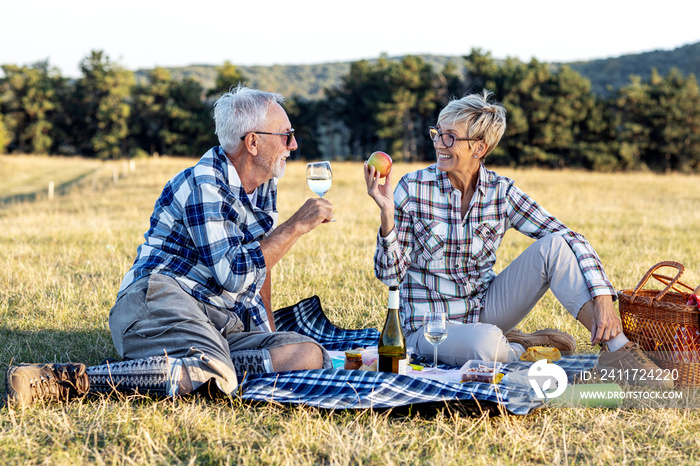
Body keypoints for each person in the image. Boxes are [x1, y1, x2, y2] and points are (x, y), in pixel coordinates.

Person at [6, 85, 335, 405]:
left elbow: (260, 259)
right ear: (252, 142)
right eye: (285, 135)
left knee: (308, 354)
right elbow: (234, 273)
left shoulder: (262, 185)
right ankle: (66, 381)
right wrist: (296, 226)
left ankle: (202, 372)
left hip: (217, 317)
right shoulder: (206, 186)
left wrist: (268, 333)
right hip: (159, 300)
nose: (292, 145)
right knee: (217, 370)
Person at [364, 90, 671, 389]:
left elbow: (566, 235)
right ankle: (519, 347)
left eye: (450, 137)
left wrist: (603, 296)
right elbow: (389, 276)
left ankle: (620, 351)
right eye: (437, 133)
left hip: (484, 308)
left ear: (479, 148)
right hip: (429, 328)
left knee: (555, 246)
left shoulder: (502, 191)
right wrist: (387, 214)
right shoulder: (413, 187)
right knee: (485, 347)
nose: (439, 144)